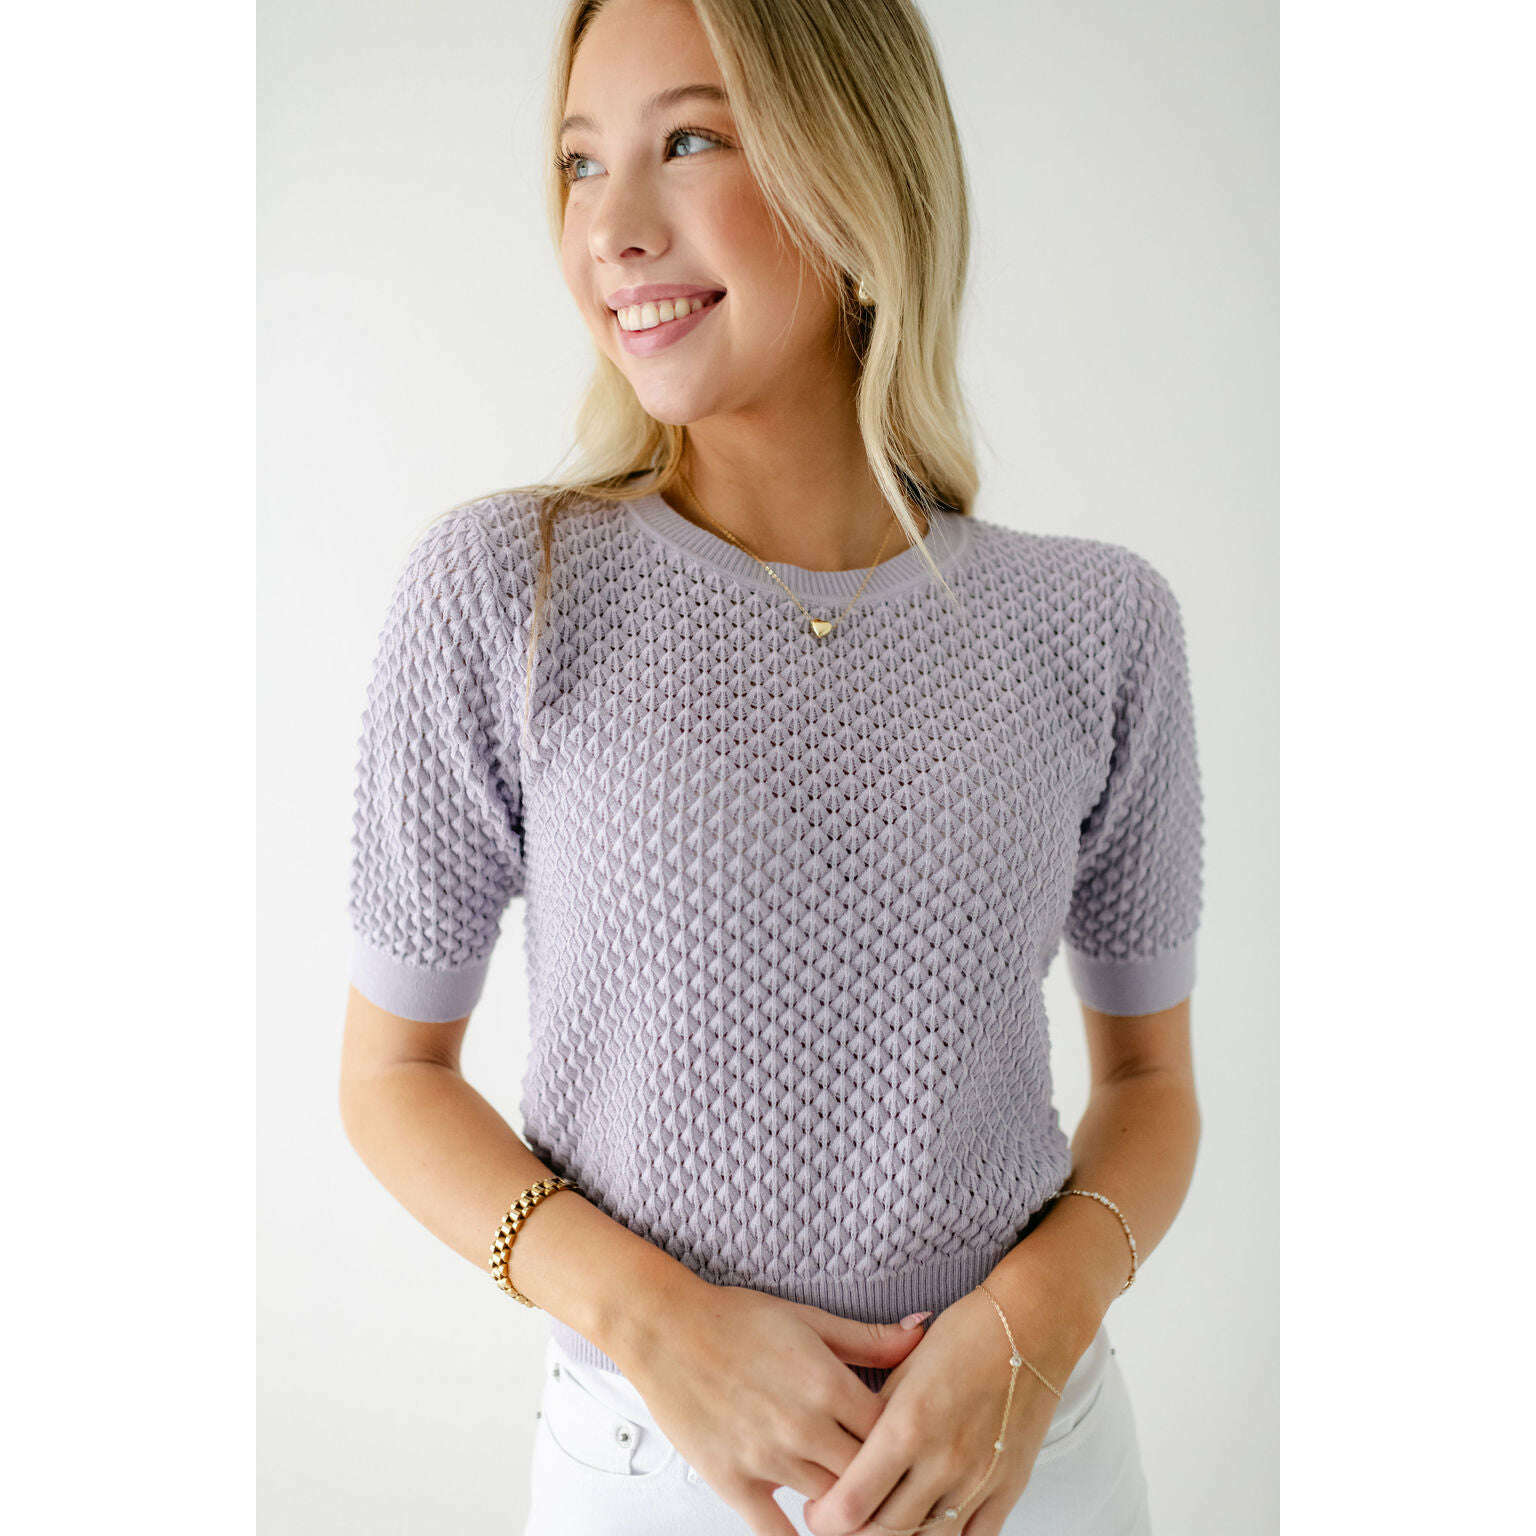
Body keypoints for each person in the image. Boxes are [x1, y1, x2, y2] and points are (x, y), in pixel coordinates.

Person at [338, 2, 1205, 1533]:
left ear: (856, 174)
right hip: (655, 1469)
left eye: (688, 140)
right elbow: (391, 1076)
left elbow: (1151, 1085)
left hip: (1024, 1455)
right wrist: (655, 1321)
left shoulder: (1097, 623)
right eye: (578, 162)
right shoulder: (505, 593)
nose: (611, 227)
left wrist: (1027, 1329)